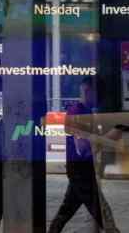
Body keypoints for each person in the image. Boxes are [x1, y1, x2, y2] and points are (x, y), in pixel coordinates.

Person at [48, 77, 121, 233]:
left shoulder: (85, 112)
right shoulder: (77, 112)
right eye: (99, 93)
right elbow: (82, 148)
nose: (101, 98)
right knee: (104, 214)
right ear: (88, 91)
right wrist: (109, 138)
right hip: (81, 171)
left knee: (66, 210)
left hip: (81, 170)